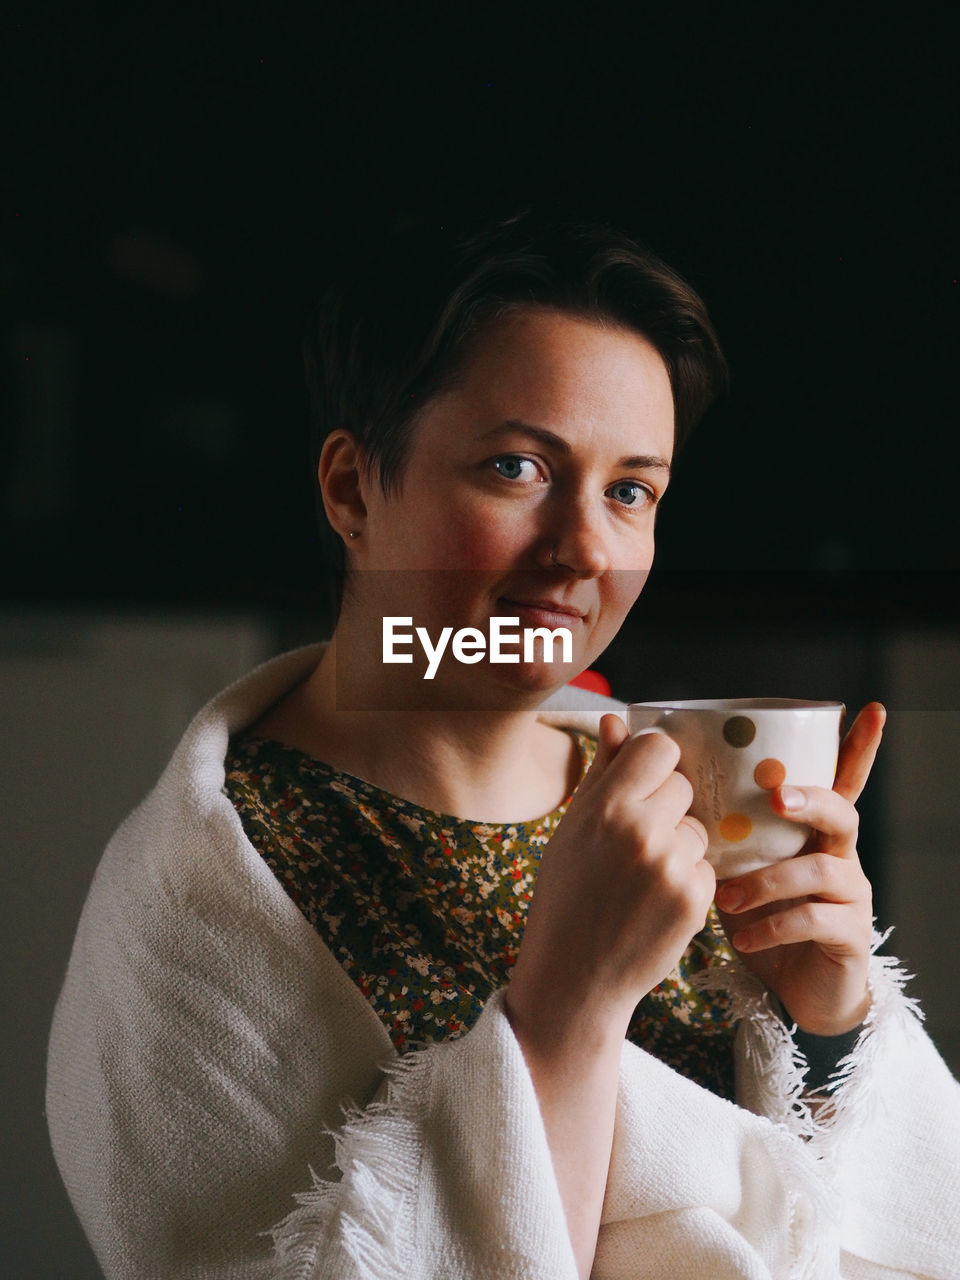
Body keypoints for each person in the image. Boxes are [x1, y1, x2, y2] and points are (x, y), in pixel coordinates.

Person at [47, 211, 960, 1279]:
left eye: (631, 491)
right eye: (519, 467)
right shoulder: (197, 902)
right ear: (351, 488)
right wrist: (566, 1011)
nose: (584, 548)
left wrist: (830, 1020)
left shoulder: (665, 800)